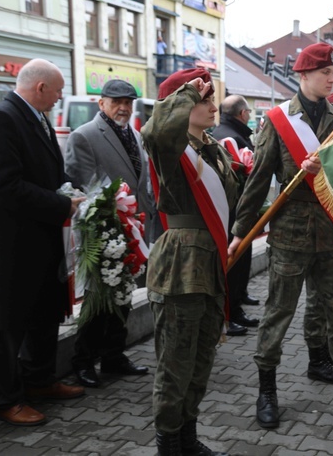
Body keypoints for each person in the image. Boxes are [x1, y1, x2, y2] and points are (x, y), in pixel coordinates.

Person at [228, 42, 333, 432]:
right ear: (303, 76)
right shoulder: (279, 121)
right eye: (325, 73)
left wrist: (328, 168)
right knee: (278, 313)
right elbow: (259, 180)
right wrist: (240, 232)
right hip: (291, 236)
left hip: (332, 235)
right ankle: (267, 391)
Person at [141, 68, 236, 456]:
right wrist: (182, 94)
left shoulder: (212, 149)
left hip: (210, 263)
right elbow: (156, 130)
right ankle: (168, 444)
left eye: (212, 99)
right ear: (180, 106)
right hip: (180, 264)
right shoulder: (170, 147)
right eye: (204, 100)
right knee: (175, 364)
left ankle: (187, 437)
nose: (213, 107)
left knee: (200, 361)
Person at [0, 59, 86, 426]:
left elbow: (50, 171)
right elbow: (5, 186)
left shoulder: (37, 117)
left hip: (42, 239)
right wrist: (62, 203)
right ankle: (5, 399)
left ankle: (41, 380)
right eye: (59, 90)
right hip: (13, 246)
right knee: (9, 325)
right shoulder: (3, 118)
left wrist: (71, 190)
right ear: (41, 87)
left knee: (44, 313)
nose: (62, 97)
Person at [64, 79, 158, 388]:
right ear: (100, 103)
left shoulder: (135, 134)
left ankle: (114, 356)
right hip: (102, 232)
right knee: (98, 299)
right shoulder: (84, 135)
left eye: (128, 102)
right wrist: (108, 222)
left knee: (123, 295)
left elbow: (142, 181)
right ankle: (83, 361)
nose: (123, 107)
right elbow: (81, 186)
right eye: (116, 101)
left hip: (132, 229)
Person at [213, 94, 260, 335]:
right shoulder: (231, 138)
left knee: (241, 260)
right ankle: (231, 310)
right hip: (233, 210)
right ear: (242, 114)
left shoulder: (221, 133)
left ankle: (237, 304)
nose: (250, 117)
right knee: (235, 261)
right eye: (249, 113)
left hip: (234, 210)